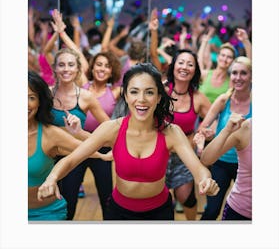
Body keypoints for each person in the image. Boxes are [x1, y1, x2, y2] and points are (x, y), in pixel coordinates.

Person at [37, 63, 219, 220]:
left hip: (159, 215)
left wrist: (206, 181)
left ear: (158, 97)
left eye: (149, 92)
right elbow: (71, 160)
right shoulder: (112, 129)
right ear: (125, 95)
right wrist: (51, 178)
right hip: (119, 213)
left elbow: (198, 169)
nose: (141, 99)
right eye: (134, 92)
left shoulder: (172, 132)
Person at [28, 70, 102, 221]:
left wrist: (80, 133)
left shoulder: (50, 134)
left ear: (39, 102)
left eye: (31, 97)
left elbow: (92, 147)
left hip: (46, 214)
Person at [50, 47, 110, 220]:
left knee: (101, 200)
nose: (66, 69)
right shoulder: (46, 94)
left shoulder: (86, 96)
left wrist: (90, 138)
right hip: (58, 157)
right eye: (61, 65)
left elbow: (108, 126)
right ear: (55, 68)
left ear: (77, 69)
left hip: (85, 152)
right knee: (61, 206)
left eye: (70, 65)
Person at [194, 56, 252, 220]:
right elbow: (202, 127)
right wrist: (207, 132)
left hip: (247, 166)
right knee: (212, 211)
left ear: (251, 76)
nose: (238, 77)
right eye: (234, 73)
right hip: (222, 161)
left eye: (243, 73)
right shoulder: (223, 100)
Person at [164, 49, 211, 220]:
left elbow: (213, 119)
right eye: (181, 62)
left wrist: (204, 131)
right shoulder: (160, 91)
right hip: (159, 153)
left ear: (195, 70)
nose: (185, 67)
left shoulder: (198, 98)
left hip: (185, 157)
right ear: (174, 66)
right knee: (160, 199)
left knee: (186, 198)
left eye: (190, 64)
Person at [79, 50, 121, 218]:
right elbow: (78, 55)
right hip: (79, 146)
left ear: (112, 71)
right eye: (99, 64)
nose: (102, 69)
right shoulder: (83, 86)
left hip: (102, 149)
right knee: (69, 197)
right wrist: (62, 33)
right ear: (93, 67)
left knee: (106, 197)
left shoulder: (116, 92)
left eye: (107, 66)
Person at [200, 113, 252, 220]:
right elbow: (206, 159)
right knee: (212, 209)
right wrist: (227, 130)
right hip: (240, 211)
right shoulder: (247, 128)